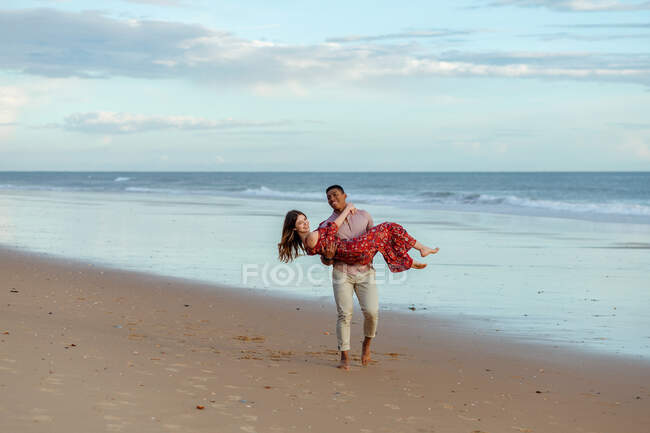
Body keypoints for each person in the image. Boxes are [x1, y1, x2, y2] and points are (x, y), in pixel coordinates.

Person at [277, 186, 438, 369]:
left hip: (363, 265)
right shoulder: (319, 230)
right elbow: (329, 242)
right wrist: (346, 211)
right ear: (294, 227)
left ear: (345, 195)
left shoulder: (361, 216)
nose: (305, 223)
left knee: (372, 312)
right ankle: (344, 357)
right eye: (300, 222)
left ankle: (410, 261)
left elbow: (377, 243)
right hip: (346, 261)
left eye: (305, 220)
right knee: (390, 228)